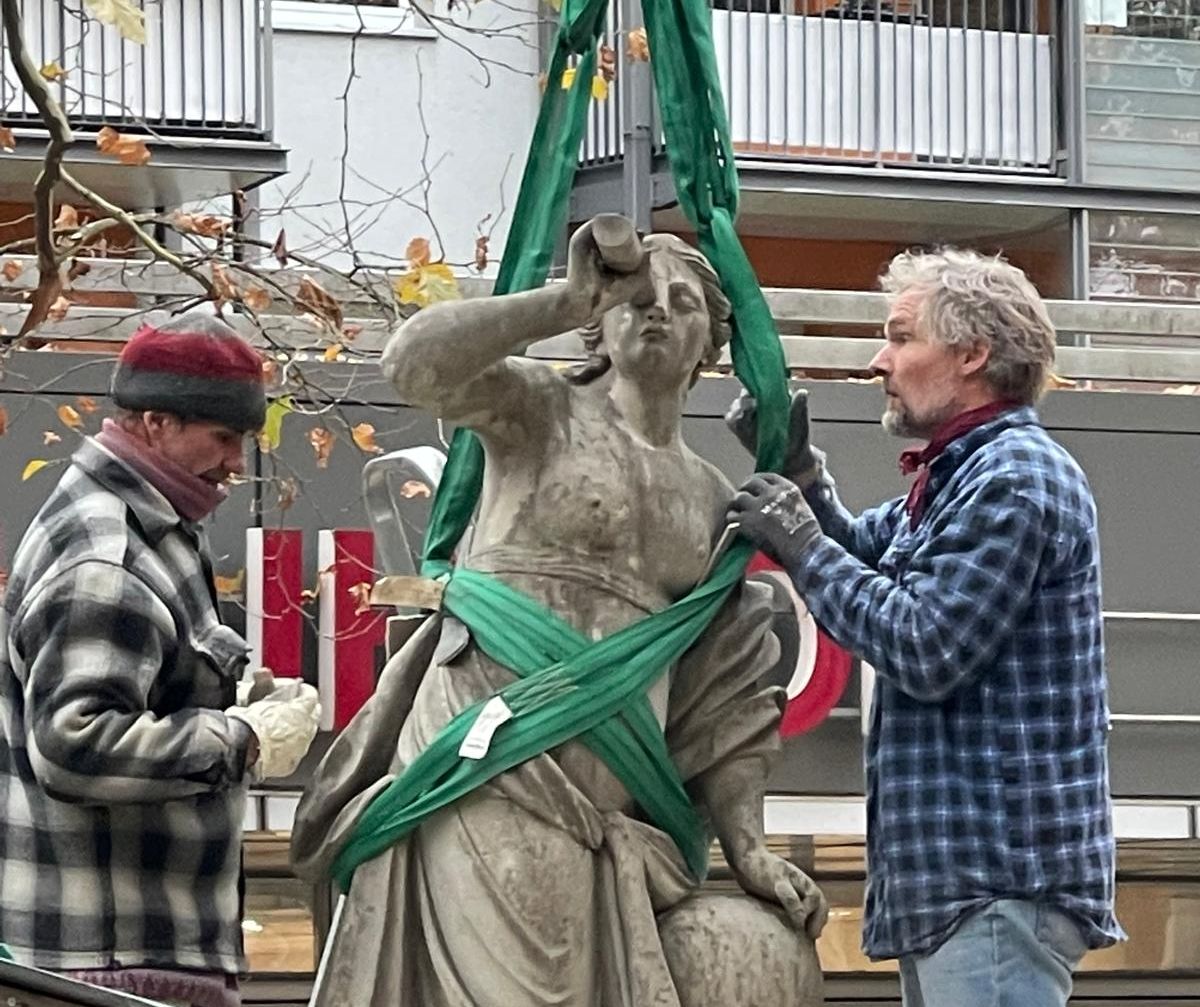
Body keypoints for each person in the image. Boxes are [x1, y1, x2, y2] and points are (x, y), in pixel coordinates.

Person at [291, 220, 827, 1007]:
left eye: (681, 303)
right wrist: (559, 300)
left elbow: (727, 689)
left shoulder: (713, 496)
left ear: (710, 339)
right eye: (635, 297)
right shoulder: (542, 411)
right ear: (601, 324)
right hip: (491, 769)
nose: (656, 312)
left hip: (615, 819)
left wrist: (746, 844)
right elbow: (414, 364)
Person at [727, 248, 1122, 1007]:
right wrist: (798, 471)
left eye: (902, 336)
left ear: (973, 353)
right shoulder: (960, 475)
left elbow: (924, 644)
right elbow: (857, 549)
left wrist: (798, 540)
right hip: (969, 888)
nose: (881, 360)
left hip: (994, 884)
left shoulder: (1014, 479)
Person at [0, 312, 320, 1007]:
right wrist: (243, 738)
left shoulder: (158, 527)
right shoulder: (104, 558)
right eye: (224, 437)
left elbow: (161, 676)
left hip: (132, 951)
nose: (239, 461)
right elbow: (73, 745)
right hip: (111, 966)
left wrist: (244, 693)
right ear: (153, 424)